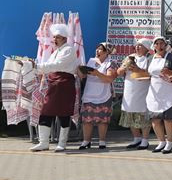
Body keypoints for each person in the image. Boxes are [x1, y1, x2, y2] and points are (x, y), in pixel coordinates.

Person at [31, 23, 78, 152]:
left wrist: (38, 67)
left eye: (57, 37)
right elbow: (49, 65)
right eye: (54, 37)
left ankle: (62, 143)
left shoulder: (69, 49)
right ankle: (43, 142)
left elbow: (58, 64)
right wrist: (34, 65)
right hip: (53, 84)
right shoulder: (56, 51)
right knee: (45, 112)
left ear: (64, 38)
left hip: (64, 84)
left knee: (64, 113)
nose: (54, 40)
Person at [145, 36, 172, 153]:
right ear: (154, 46)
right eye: (157, 43)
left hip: (168, 90)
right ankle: (161, 141)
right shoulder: (150, 58)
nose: (160, 46)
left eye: (162, 43)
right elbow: (148, 73)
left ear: (165, 45)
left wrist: (169, 72)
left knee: (168, 119)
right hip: (154, 91)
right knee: (155, 119)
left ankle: (170, 142)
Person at [78, 42, 117, 150]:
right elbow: (82, 76)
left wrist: (97, 73)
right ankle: (86, 141)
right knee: (87, 119)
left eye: (100, 49)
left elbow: (109, 79)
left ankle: (102, 141)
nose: (97, 51)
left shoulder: (111, 63)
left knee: (102, 120)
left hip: (104, 94)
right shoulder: (91, 61)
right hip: (89, 93)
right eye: (97, 48)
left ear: (106, 52)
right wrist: (79, 70)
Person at [116, 38, 153, 149]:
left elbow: (150, 74)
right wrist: (123, 68)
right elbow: (118, 72)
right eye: (136, 45)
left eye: (140, 45)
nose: (137, 47)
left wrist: (137, 69)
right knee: (130, 113)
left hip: (143, 90)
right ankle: (136, 138)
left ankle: (145, 140)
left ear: (147, 48)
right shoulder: (129, 57)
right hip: (129, 90)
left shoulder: (149, 58)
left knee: (142, 115)